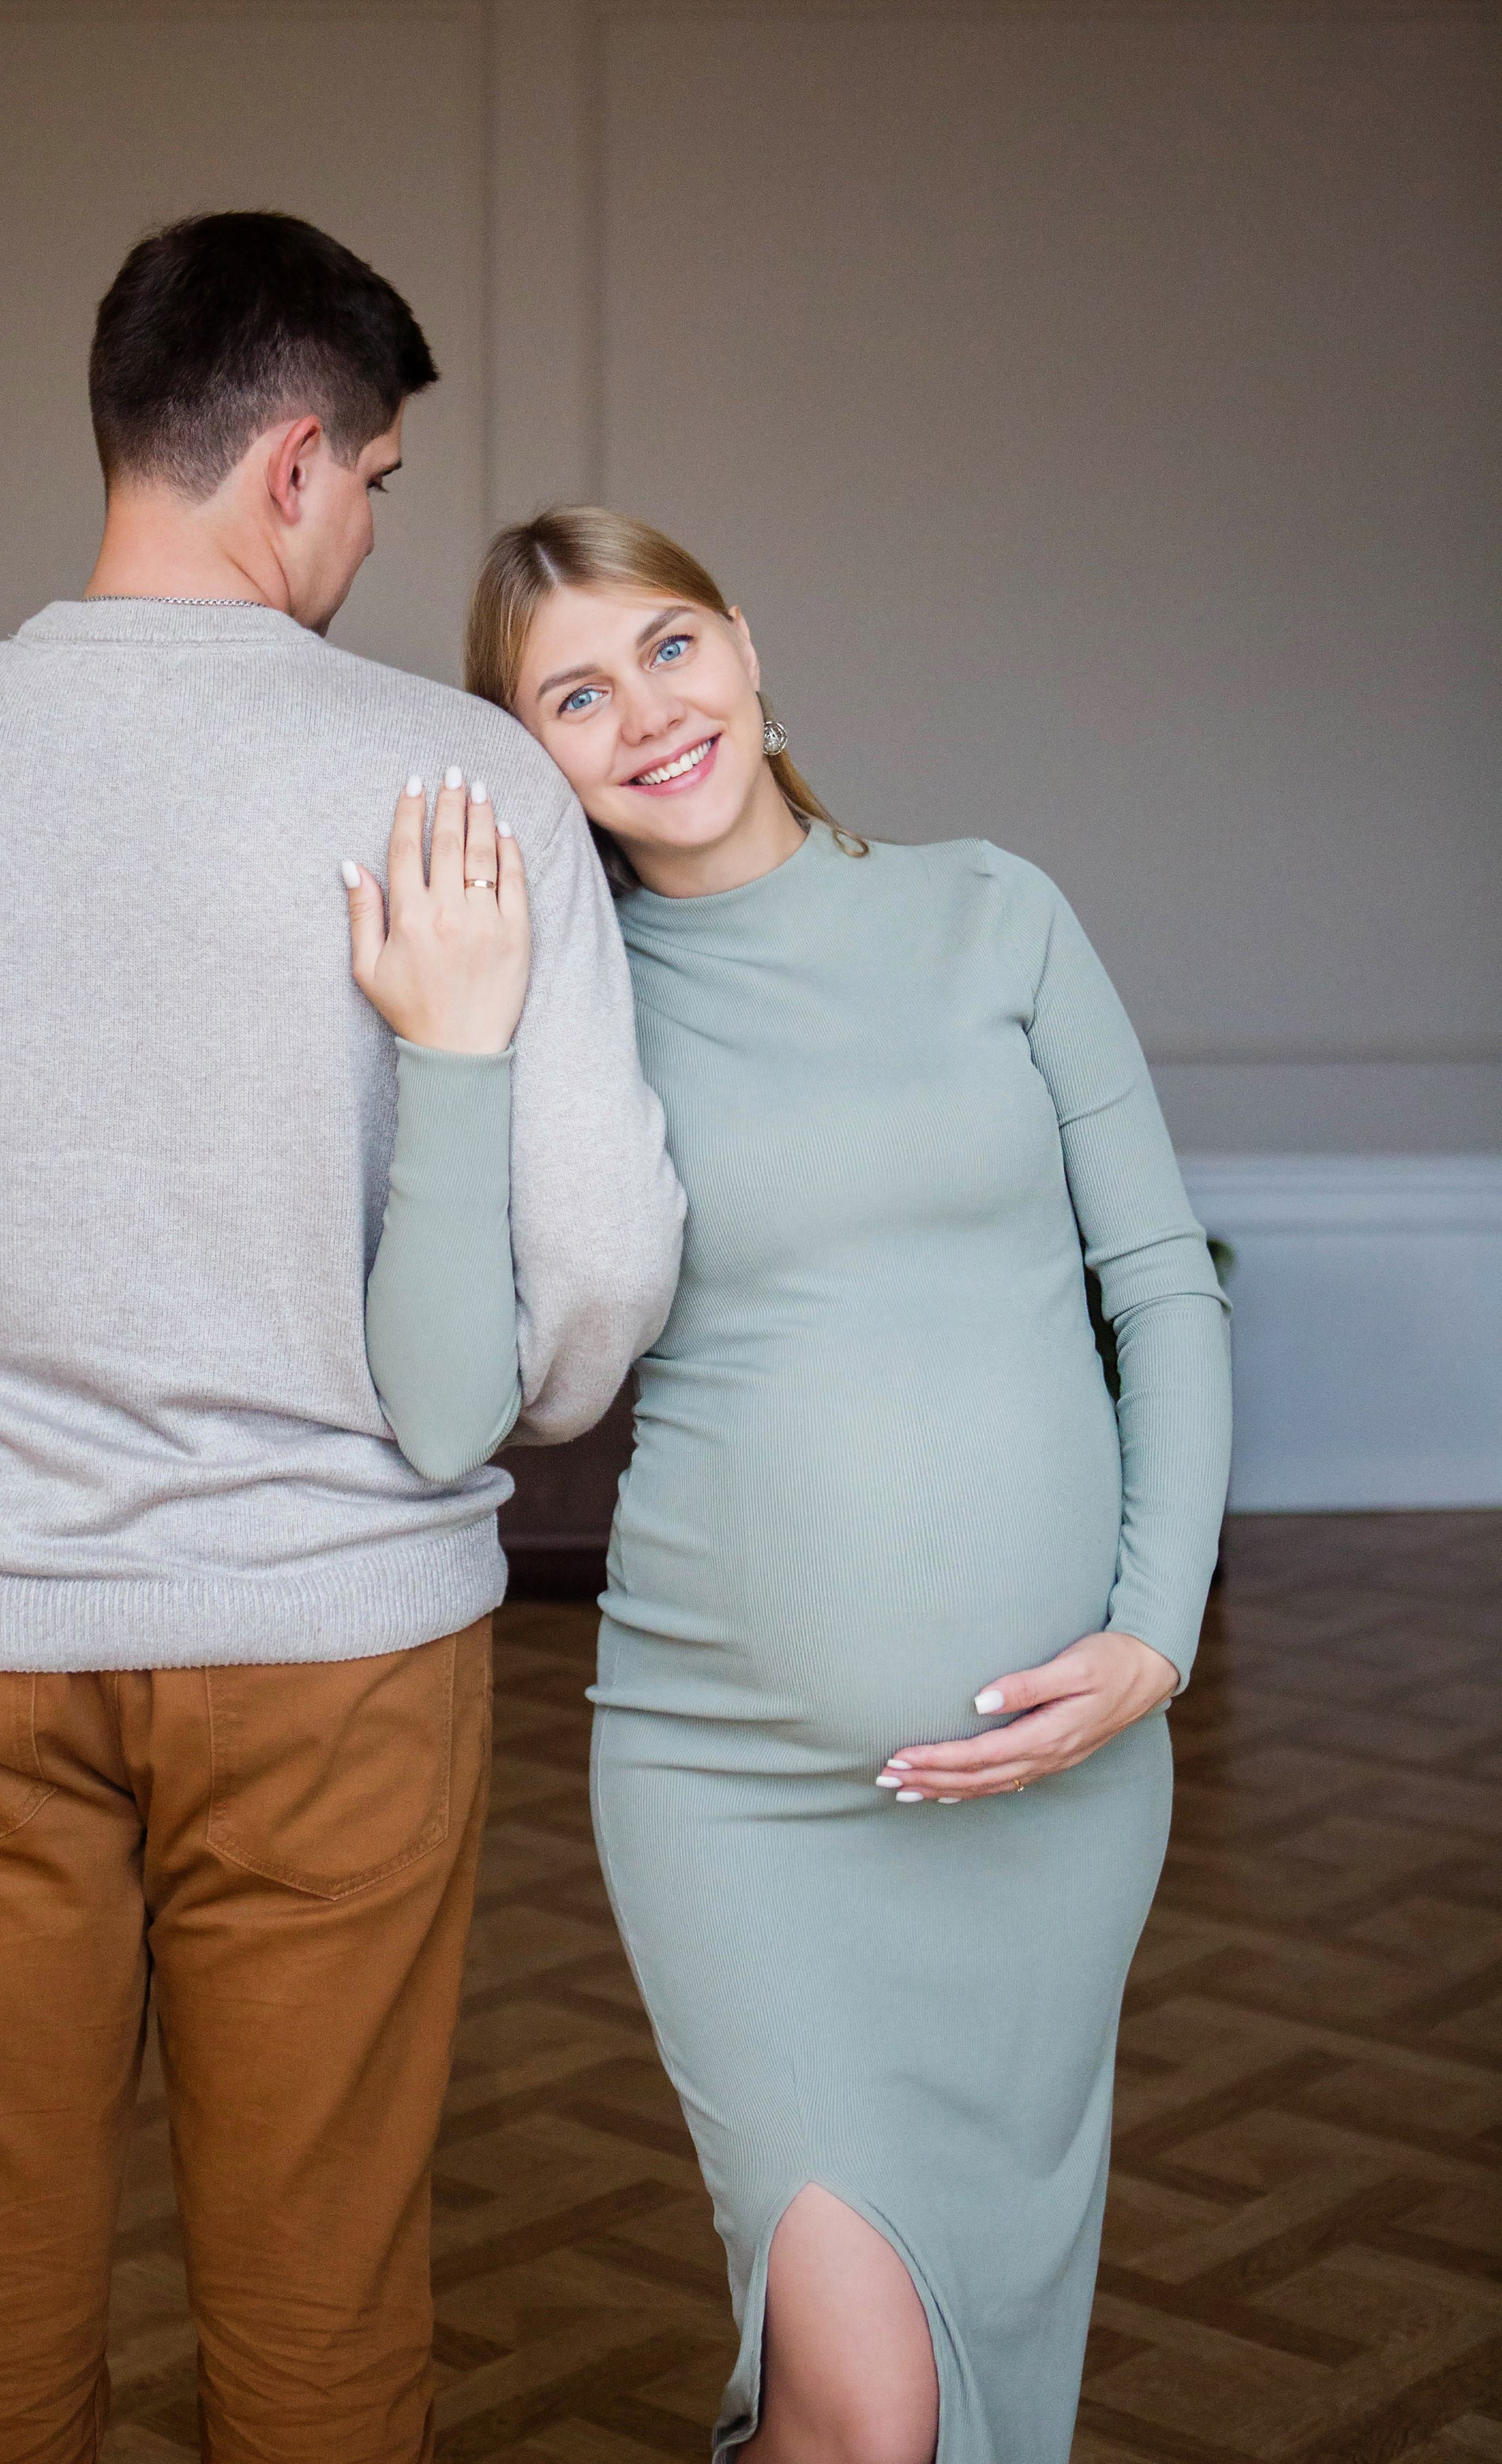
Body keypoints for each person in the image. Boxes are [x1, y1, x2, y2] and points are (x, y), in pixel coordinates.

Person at [0, 223, 682, 2464]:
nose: (371, 531)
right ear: (298, 462)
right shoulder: (460, 778)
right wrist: (493, 1420)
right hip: (342, 1638)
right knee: (322, 2301)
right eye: (381, 482)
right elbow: (606, 1256)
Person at [345, 505, 1231, 2464]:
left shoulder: (992, 911)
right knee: (868, 2406)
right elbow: (442, 1411)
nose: (647, 713)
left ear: (743, 644)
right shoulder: (571, 1012)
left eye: (665, 648)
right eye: (573, 696)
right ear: (526, 755)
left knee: (936, 2387)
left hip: (1063, 1796)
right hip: (732, 1785)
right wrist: (454, 1057)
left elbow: (1158, 1284)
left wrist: (1154, 1640)